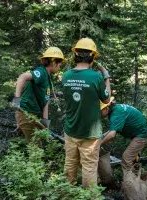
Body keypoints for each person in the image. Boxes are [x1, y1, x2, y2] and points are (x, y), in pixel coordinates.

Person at [61, 37, 111, 189]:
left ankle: (66, 195)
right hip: (90, 134)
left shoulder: (66, 76)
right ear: (92, 57)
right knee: (89, 168)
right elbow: (107, 98)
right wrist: (106, 76)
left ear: (75, 55)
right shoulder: (96, 77)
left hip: (71, 129)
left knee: (70, 164)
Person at [11, 47, 66, 142]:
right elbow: (22, 77)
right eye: (59, 63)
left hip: (34, 116)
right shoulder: (41, 73)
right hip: (25, 113)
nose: (60, 66)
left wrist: (46, 126)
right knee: (36, 147)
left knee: (39, 145)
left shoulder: (48, 78)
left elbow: (45, 102)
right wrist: (16, 101)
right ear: (53, 62)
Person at [100, 97, 147, 171]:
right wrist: (100, 137)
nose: (99, 113)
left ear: (106, 108)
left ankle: (130, 181)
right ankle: (136, 177)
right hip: (140, 132)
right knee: (133, 159)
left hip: (142, 133)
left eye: (100, 111)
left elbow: (112, 135)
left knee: (127, 158)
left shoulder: (116, 114)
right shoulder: (117, 109)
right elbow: (112, 129)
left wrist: (99, 144)